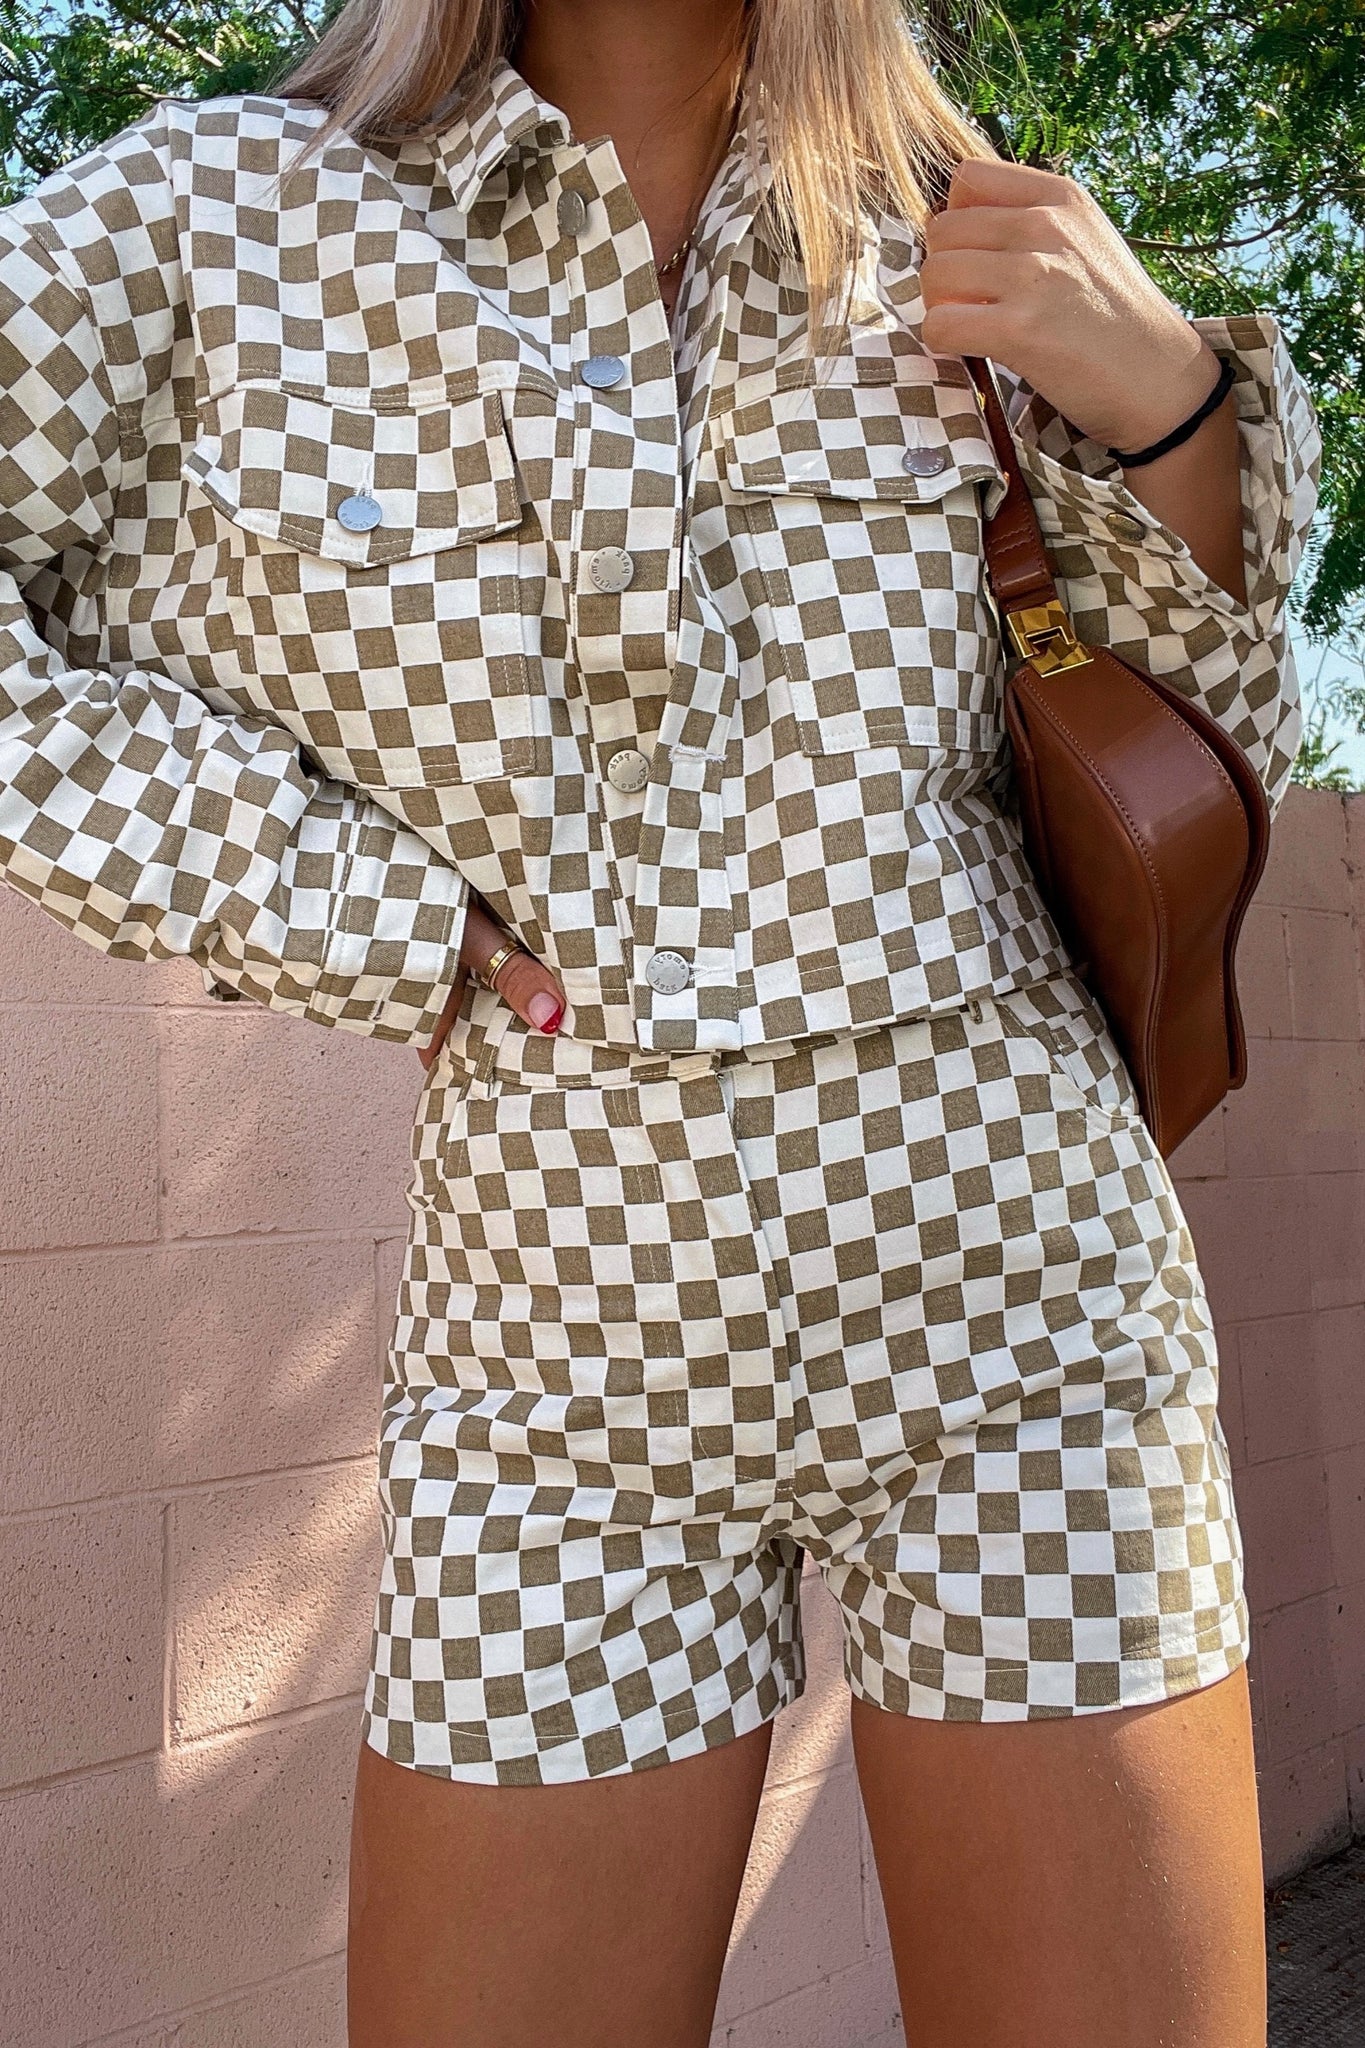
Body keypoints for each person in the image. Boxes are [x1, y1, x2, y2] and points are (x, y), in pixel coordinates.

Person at [0, 0, 1320, 2042]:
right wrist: (341, 903)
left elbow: (1204, 753)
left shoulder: (956, 222)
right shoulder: (210, 215)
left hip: (1028, 1292)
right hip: (555, 1341)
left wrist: (1170, 408)